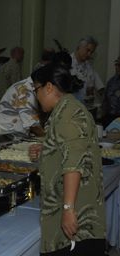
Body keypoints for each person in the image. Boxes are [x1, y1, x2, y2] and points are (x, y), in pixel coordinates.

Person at [30, 64, 105, 255]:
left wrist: (68, 208)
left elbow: (74, 164)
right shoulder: (67, 109)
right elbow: (70, 147)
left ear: (48, 87)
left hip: (77, 220)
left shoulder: (67, 115)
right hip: (78, 213)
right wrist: (47, 149)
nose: (36, 96)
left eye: (35, 90)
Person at [70, 36, 104, 108]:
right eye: (87, 50)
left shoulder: (89, 67)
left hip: (87, 108)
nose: (89, 54)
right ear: (79, 47)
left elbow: (101, 88)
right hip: (71, 107)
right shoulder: (67, 63)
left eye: (91, 52)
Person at [102, 56, 120, 128]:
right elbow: (105, 101)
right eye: (117, 64)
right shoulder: (111, 81)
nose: (117, 67)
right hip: (109, 118)